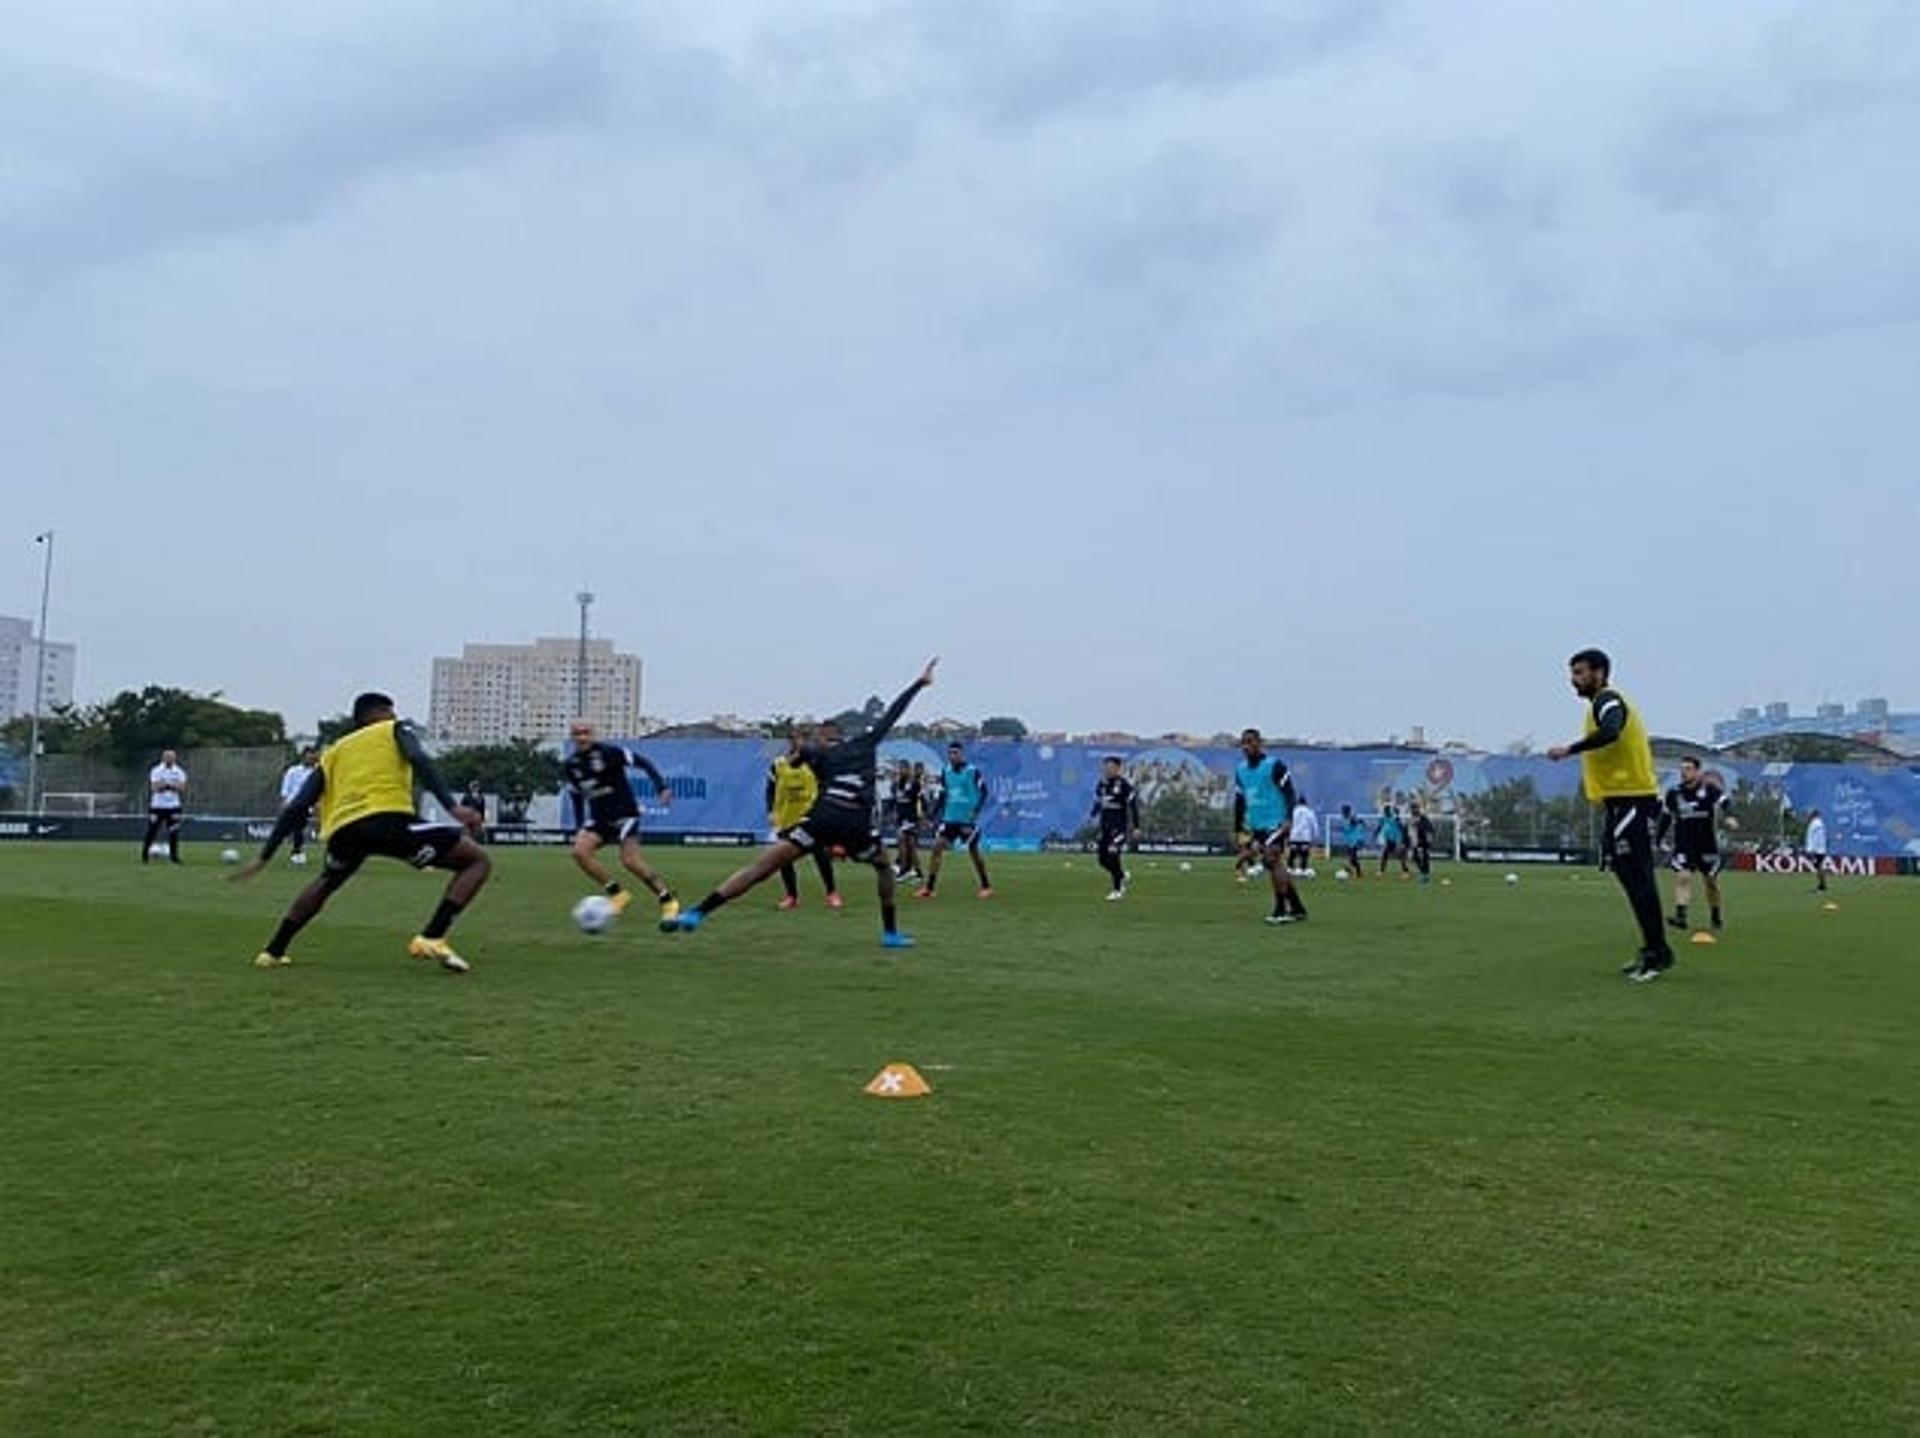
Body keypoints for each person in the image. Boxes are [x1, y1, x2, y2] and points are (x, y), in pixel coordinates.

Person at [666, 659, 938, 947]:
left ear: (825, 737)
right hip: (855, 822)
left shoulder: (819, 754)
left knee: (761, 868)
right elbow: (894, 712)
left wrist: (801, 750)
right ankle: (890, 933)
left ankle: (697, 913)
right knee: (883, 866)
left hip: (822, 818)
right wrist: (920, 683)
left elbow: (797, 756)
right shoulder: (864, 743)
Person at [231, 691, 488, 973]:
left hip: (344, 829)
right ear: (380, 713)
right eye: (391, 711)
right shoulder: (394, 729)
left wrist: (264, 857)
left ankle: (272, 952)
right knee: (476, 861)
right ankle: (432, 936)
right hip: (388, 819)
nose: (395, 716)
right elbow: (418, 756)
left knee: (328, 880)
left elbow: (298, 806)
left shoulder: (334, 752)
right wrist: (452, 806)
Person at [1548, 648, 1675, 982]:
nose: (1573, 680)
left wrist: (1569, 749)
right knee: (1628, 874)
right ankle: (1653, 948)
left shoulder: (1608, 700)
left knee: (1639, 877)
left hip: (1634, 800)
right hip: (1619, 804)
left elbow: (1612, 730)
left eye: (1580, 672)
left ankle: (1658, 953)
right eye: (1572, 672)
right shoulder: (1596, 707)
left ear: (1600, 673)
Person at [563, 720, 679, 921]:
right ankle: (618, 895)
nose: (582, 737)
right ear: (572, 737)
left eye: (585, 732)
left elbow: (644, 763)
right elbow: (576, 796)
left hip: (625, 814)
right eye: (577, 733)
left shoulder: (610, 753)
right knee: (579, 852)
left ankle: (668, 899)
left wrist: (661, 787)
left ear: (593, 734)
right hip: (600, 818)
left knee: (630, 861)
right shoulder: (571, 765)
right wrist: (579, 826)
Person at [1234, 728, 1307, 925]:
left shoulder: (1275, 765)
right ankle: (1297, 907)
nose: (1247, 746)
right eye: (1244, 743)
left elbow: (1289, 792)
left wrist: (1288, 819)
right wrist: (1238, 830)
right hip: (1257, 824)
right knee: (1273, 864)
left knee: (1271, 859)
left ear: (1260, 743)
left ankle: (1280, 909)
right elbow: (1240, 801)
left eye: (1251, 742)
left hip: (1277, 822)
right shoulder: (1240, 771)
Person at [1659, 756, 1735, 931]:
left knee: (1710, 882)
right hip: (1684, 844)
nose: (1684, 772)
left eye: (1688, 769)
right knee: (1683, 877)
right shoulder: (1674, 793)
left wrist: (1729, 816)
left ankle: (1715, 916)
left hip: (1706, 844)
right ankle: (1681, 917)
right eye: (1682, 769)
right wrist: (1659, 838)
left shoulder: (1709, 789)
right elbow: (1665, 817)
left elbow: (1725, 802)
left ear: (1697, 771)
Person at [767, 730, 840, 910]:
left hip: (809, 817)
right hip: (786, 817)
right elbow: (769, 789)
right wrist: (770, 810)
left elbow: (825, 784)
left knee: (820, 855)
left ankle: (832, 893)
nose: (796, 742)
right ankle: (792, 896)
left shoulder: (813, 763)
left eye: (799, 739)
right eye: (792, 739)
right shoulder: (778, 764)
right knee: (783, 858)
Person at [919, 741, 993, 899]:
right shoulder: (945, 771)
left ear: (962, 754)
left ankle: (986, 886)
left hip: (967, 819)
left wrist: (976, 811)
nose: (952, 756)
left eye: (956, 753)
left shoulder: (972, 771)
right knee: (937, 847)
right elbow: (943, 795)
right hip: (950, 818)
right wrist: (931, 815)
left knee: (974, 852)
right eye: (950, 753)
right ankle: (929, 888)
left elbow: (984, 792)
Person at [1090, 756, 1141, 900]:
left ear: (1118, 769)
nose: (1107, 769)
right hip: (1104, 827)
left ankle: (1117, 890)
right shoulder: (1101, 784)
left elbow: (1133, 806)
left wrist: (1136, 826)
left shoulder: (1124, 785)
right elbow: (1099, 801)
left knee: (1113, 854)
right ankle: (1122, 875)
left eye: (1111, 767)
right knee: (1102, 860)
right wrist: (1093, 813)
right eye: (1105, 767)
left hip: (1119, 827)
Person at [141, 749, 188, 864]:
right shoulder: (156, 770)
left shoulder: (179, 772)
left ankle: (174, 857)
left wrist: (166, 785)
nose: (169, 759)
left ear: (174, 758)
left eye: (171, 757)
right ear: (163, 758)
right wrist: (172, 785)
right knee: (152, 831)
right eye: (167, 757)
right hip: (157, 806)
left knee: (173, 832)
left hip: (173, 806)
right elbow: (155, 787)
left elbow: (182, 788)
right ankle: (145, 854)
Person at [278, 746, 320, 865]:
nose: (311, 759)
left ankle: (297, 851)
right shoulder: (293, 771)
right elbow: (286, 788)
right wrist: (285, 801)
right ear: (303, 757)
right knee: (296, 828)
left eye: (313, 756)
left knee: (300, 828)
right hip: (294, 803)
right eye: (309, 756)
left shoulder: (317, 772)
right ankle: (296, 851)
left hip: (309, 804)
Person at [891, 760, 924, 882]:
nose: (901, 771)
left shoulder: (914, 784)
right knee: (910, 845)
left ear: (908, 769)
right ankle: (916, 872)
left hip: (910, 818)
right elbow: (897, 800)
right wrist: (894, 812)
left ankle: (903, 870)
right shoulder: (899, 783)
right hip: (901, 818)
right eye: (899, 768)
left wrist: (921, 817)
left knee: (903, 842)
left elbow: (916, 800)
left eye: (903, 768)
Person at [1286, 795, 1318, 875]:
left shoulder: (1294, 811)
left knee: (1293, 851)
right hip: (1305, 835)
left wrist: (1287, 834)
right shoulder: (1309, 811)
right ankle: (1302, 868)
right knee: (1304, 852)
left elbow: (1289, 822)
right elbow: (1313, 824)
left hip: (1294, 835)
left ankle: (1290, 867)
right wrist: (1315, 835)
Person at [1378, 803, 1411, 876]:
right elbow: (1382, 827)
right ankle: (1381, 871)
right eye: (1385, 811)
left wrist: (1403, 839)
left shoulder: (1395, 818)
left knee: (1400, 855)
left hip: (1397, 839)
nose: (1385, 812)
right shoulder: (1384, 819)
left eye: (1387, 810)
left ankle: (1405, 872)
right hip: (1389, 839)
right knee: (1385, 854)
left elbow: (1402, 827)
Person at [1337, 805, 1369, 878]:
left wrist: (1361, 824)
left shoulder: (1351, 818)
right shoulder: (1345, 819)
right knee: (1351, 858)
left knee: (1353, 858)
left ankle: (1357, 873)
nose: (1342, 812)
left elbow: (1359, 822)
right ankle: (1354, 872)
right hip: (1349, 841)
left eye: (1343, 811)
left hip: (1355, 841)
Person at [1804, 808, 1830, 892]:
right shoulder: (1819, 823)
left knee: (1819, 867)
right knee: (1818, 867)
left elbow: (1815, 838)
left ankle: (1822, 885)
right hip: (1820, 849)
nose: (1808, 815)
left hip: (1817, 850)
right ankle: (1822, 884)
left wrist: (1811, 849)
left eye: (1810, 813)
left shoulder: (1815, 824)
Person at [1410, 802, 1436, 883]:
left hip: (1424, 840)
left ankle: (1425, 875)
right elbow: (1411, 829)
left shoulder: (1423, 818)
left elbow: (1430, 828)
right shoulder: (1412, 818)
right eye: (1413, 808)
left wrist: (1429, 837)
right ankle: (1423, 872)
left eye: (1415, 808)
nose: (1414, 810)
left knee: (1425, 857)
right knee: (1415, 857)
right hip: (1417, 841)